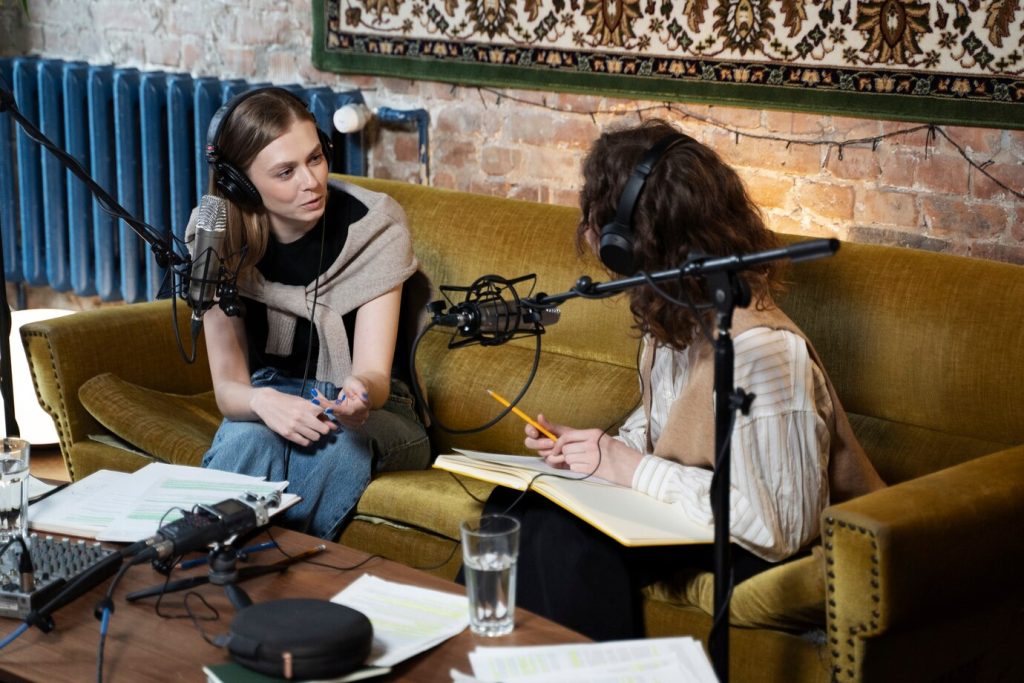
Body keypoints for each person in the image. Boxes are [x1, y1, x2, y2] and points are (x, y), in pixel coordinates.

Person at [481, 119, 886, 640]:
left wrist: (630, 470)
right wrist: (595, 451)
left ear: (627, 240)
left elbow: (782, 525)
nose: (588, 232)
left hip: (759, 549)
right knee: (514, 507)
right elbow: (666, 438)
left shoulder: (762, 348)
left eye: (596, 217)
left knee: (566, 542)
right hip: (693, 520)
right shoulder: (674, 315)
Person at [193, 88, 431, 540]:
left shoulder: (374, 227)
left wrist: (359, 392)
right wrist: (263, 402)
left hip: (379, 413)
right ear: (239, 184)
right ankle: (214, 564)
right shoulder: (213, 235)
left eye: (316, 158)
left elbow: (373, 376)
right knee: (248, 438)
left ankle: (299, 578)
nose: (311, 181)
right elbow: (229, 389)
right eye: (286, 172)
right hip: (272, 391)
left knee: (335, 443)